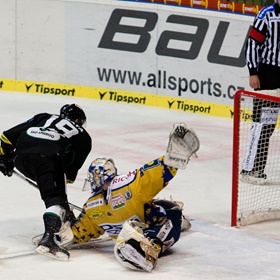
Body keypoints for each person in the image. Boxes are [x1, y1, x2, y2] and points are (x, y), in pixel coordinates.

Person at [52, 122, 199, 271]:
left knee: (162, 205)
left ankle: (144, 243)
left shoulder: (91, 207)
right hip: (144, 230)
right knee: (173, 212)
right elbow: (151, 175)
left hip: (126, 236)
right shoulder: (129, 185)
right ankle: (147, 248)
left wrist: (63, 234)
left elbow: (82, 231)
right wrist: (173, 158)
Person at [0, 104, 92, 260]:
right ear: (78, 120)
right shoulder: (83, 136)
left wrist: (4, 158)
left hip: (21, 158)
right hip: (47, 158)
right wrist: (59, 197)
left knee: (51, 190)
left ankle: (59, 214)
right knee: (55, 198)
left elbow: (7, 137)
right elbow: (68, 173)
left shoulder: (42, 117)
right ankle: (49, 238)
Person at [241, 0, 280, 184]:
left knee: (269, 126)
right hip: (267, 75)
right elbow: (252, 44)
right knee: (260, 125)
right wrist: (253, 72)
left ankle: (258, 169)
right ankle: (249, 169)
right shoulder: (266, 15)